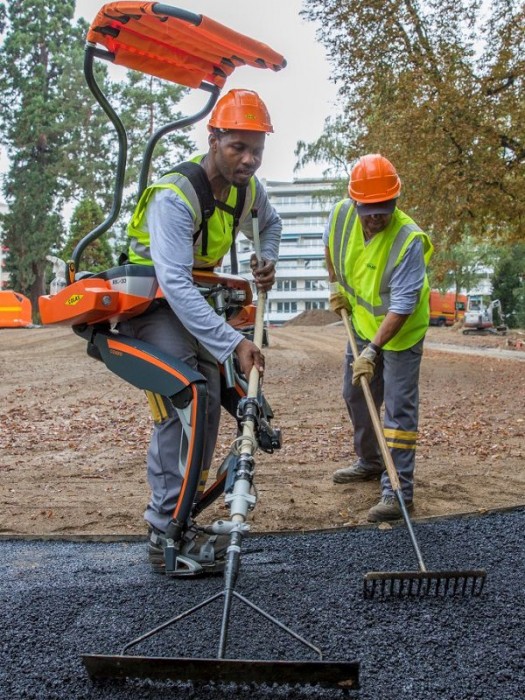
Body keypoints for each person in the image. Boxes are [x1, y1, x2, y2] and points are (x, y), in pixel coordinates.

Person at [118, 89, 282, 575]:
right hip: (151, 305)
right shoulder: (177, 196)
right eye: (238, 147)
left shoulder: (248, 189)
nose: (249, 160)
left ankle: (183, 519)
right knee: (188, 398)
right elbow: (174, 283)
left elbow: (269, 224)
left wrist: (266, 257)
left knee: (212, 398)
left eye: (257, 149)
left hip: (191, 302)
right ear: (213, 139)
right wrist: (234, 341)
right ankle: (162, 530)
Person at [324, 153, 433, 522]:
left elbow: (402, 305)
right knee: (355, 393)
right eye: (368, 208)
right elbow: (331, 249)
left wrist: (371, 351)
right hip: (360, 323)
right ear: (354, 201)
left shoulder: (408, 240)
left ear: (396, 201)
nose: (376, 216)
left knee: (398, 410)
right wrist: (336, 285)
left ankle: (398, 490)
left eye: (384, 208)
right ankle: (370, 461)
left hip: (401, 333)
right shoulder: (341, 217)